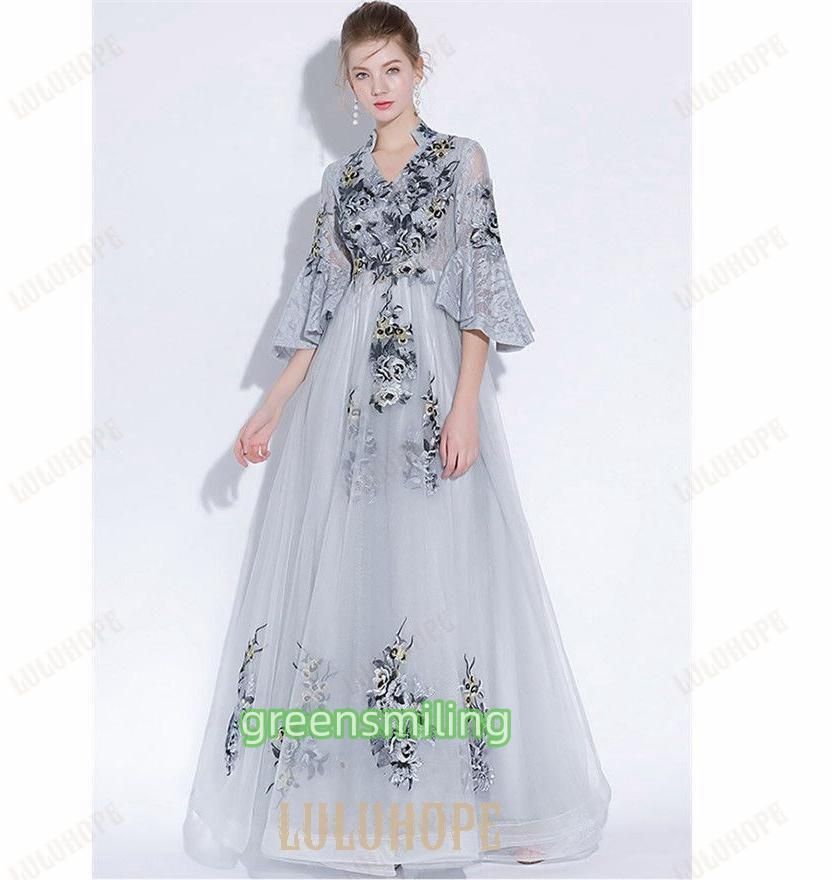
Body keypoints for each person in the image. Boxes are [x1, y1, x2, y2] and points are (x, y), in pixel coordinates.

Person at [183, 2, 611, 875]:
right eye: (362, 73)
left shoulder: (461, 161)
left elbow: (480, 284)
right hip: (347, 405)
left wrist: (464, 404)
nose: (378, 87)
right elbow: (318, 306)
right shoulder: (339, 183)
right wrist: (271, 407)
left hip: (432, 387)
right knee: (359, 574)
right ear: (347, 86)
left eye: (392, 68)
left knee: (447, 572)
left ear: (419, 68)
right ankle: (369, 808)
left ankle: (475, 804)